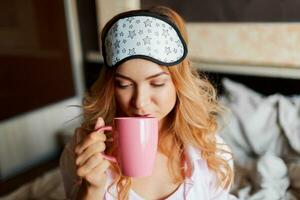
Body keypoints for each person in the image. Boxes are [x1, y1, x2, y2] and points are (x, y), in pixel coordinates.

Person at [60, 6, 237, 200]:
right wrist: (91, 190)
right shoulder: (82, 152)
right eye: (124, 84)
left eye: (157, 83)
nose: (140, 102)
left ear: (179, 84)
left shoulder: (210, 153)